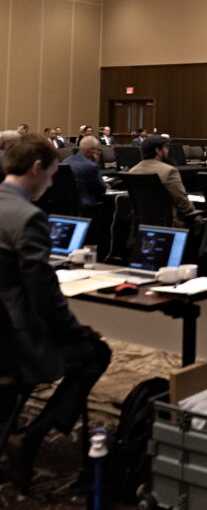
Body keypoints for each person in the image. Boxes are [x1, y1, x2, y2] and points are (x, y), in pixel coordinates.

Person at [0, 133, 111, 491]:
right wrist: (75, 331)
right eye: (51, 174)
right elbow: (44, 295)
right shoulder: (28, 217)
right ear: (36, 168)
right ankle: (30, 437)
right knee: (95, 353)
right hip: (13, 343)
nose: (50, 185)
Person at [129, 135, 201, 227]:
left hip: (142, 224)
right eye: (166, 147)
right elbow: (184, 205)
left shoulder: (133, 171)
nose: (168, 151)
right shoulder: (169, 171)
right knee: (201, 222)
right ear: (157, 151)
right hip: (169, 225)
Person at [61, 135, 107, 212]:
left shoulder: (66, 161)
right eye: (98, 150)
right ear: (92, 150)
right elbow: (101, 189)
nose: (99, 152)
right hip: (87, 206)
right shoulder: (92, 166)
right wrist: (95, 162)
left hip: (66, 205)